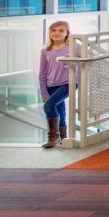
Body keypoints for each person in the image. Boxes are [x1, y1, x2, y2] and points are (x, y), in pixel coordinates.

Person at [39, 20, 72, 149]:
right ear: (49, 33)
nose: (57, 33)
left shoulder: (73, 47)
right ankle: (64, 138)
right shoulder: (45, 51)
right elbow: (42, 73)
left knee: (49, 106)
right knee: (60, 110)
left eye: (61, 30)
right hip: (50, 85)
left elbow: (89, 54)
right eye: (54, 30)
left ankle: (53, 137)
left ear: (67, 33)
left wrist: (75, 57)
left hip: (68, 83)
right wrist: (43, 92)